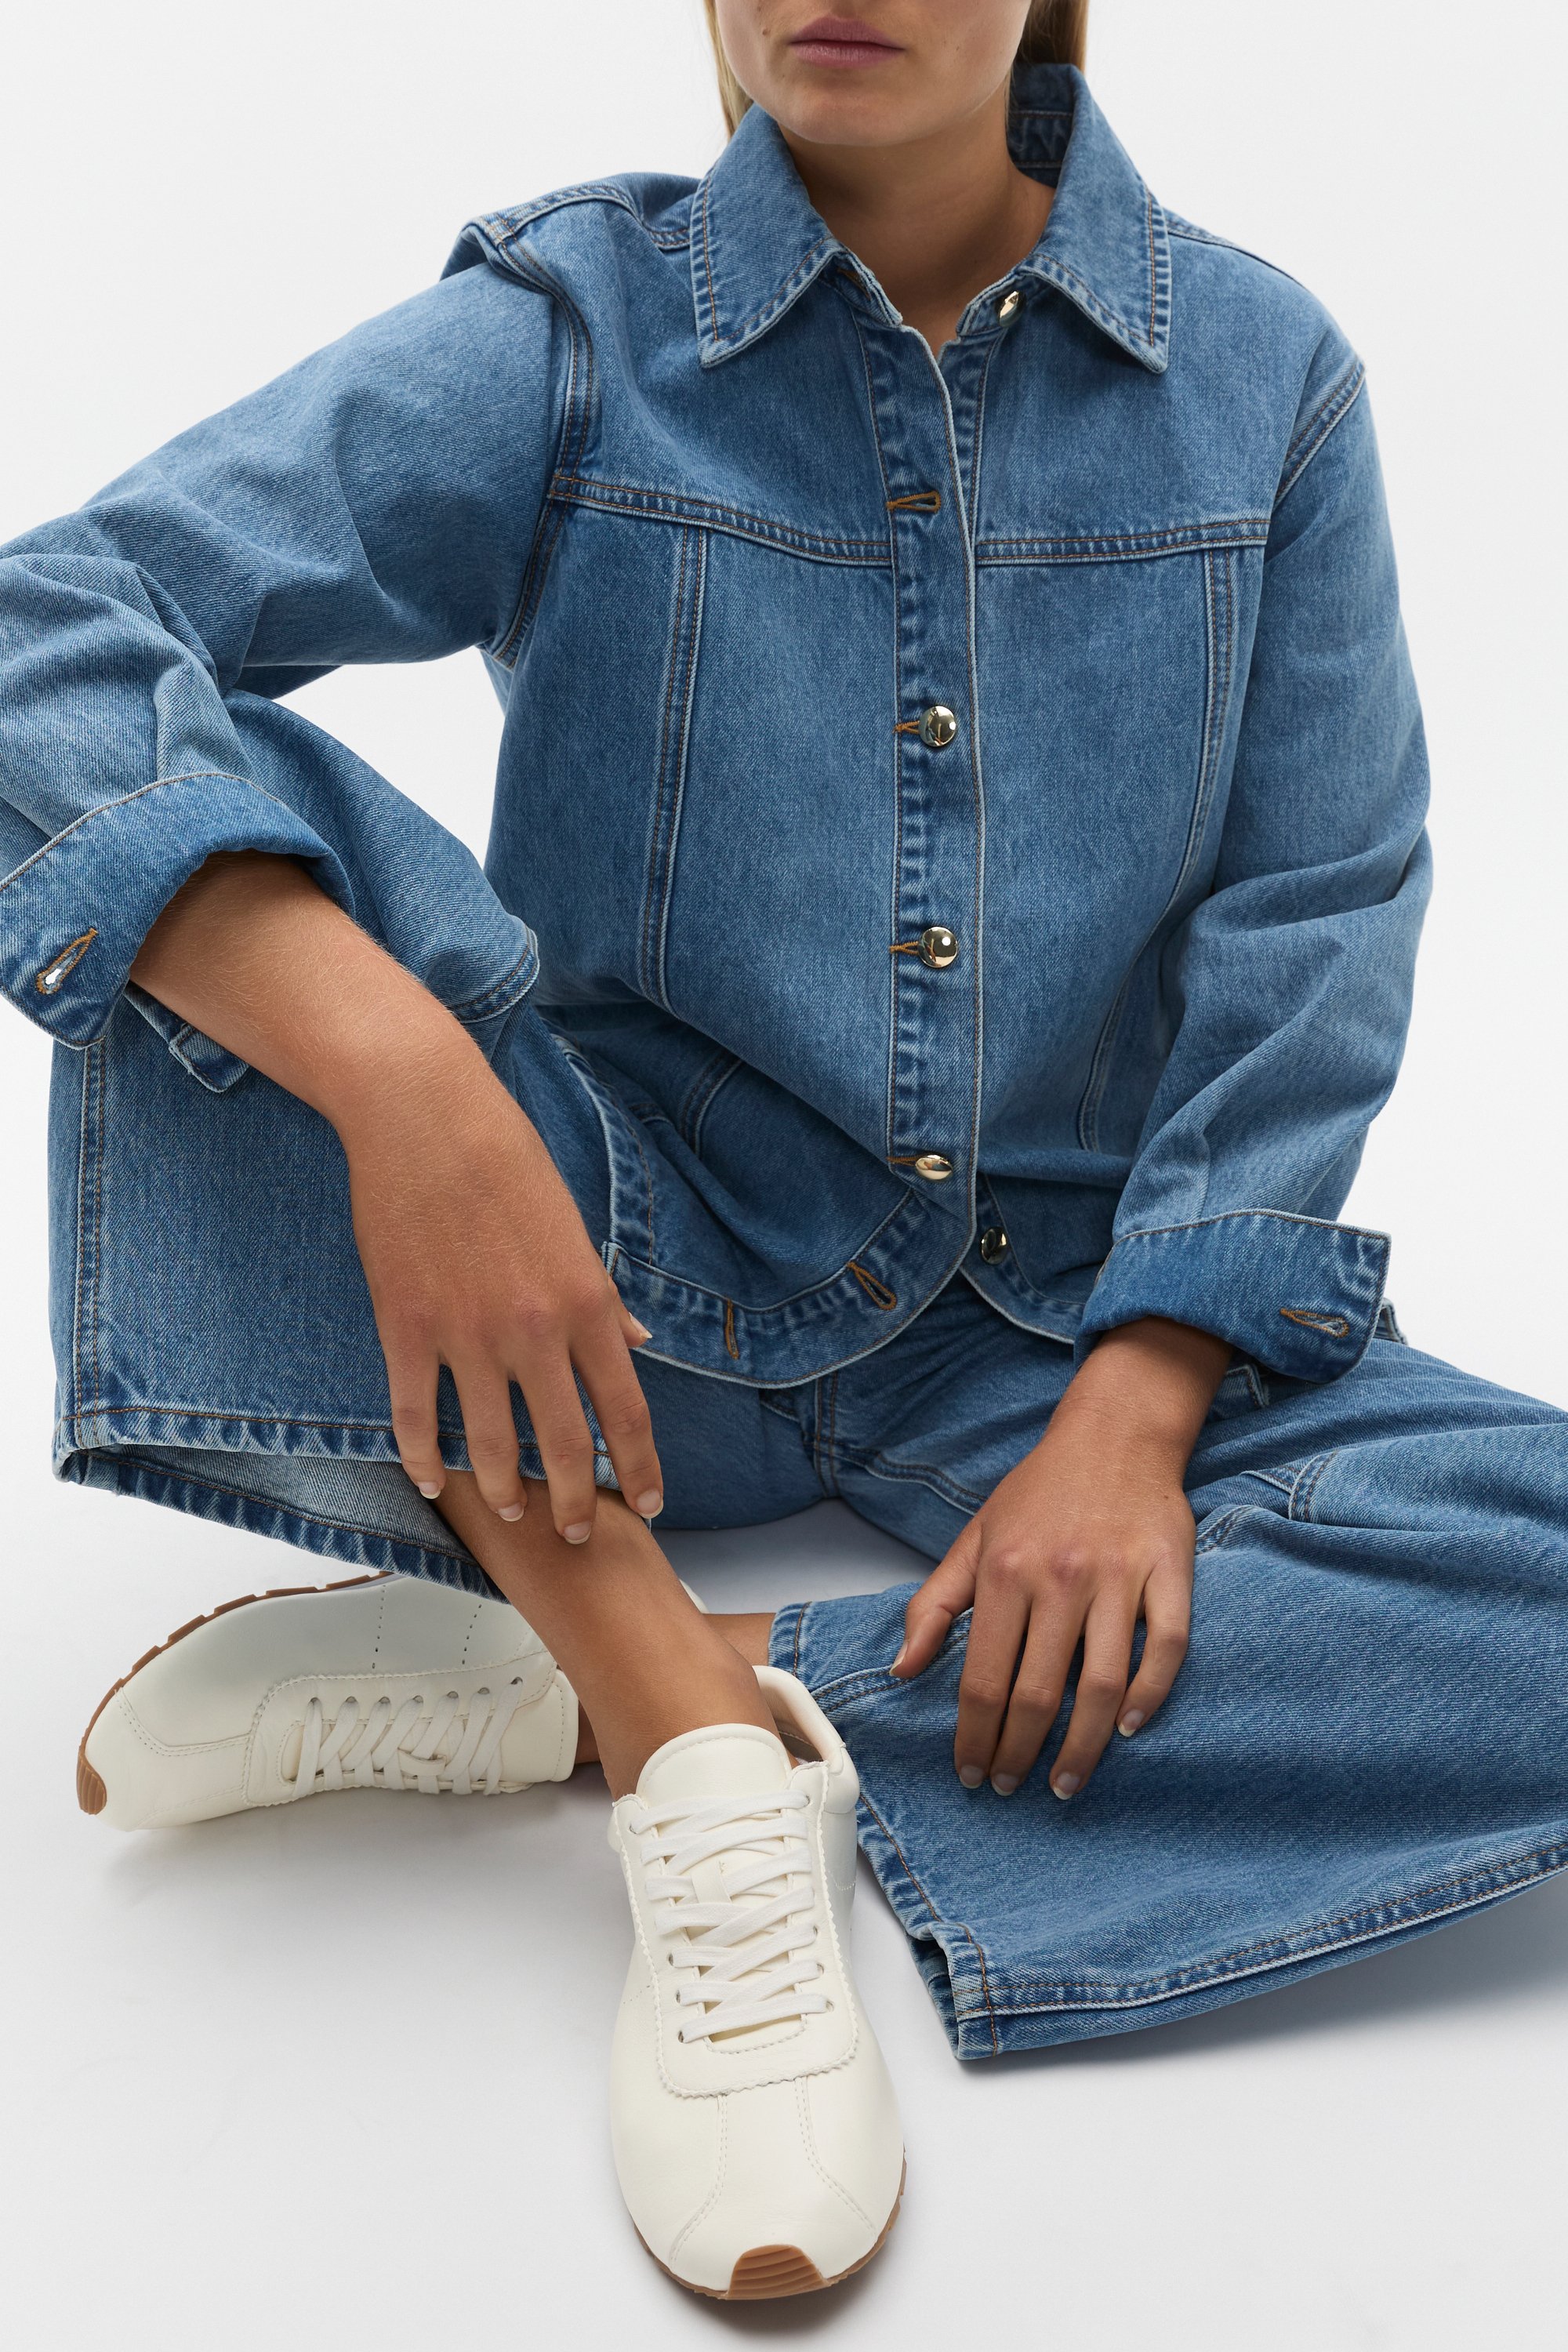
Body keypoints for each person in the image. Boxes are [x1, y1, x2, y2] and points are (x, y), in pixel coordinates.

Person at [4, 0, 1566, 2304]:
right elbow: (45, 627)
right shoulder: (568, 335)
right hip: (594, 1297)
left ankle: (625, 1674)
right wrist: (420, 1097)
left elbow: (1318, 913)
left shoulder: (1265, 382)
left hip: (1051, 1325)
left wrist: (1138, 1408)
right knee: (189, 875)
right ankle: (696, 1780)